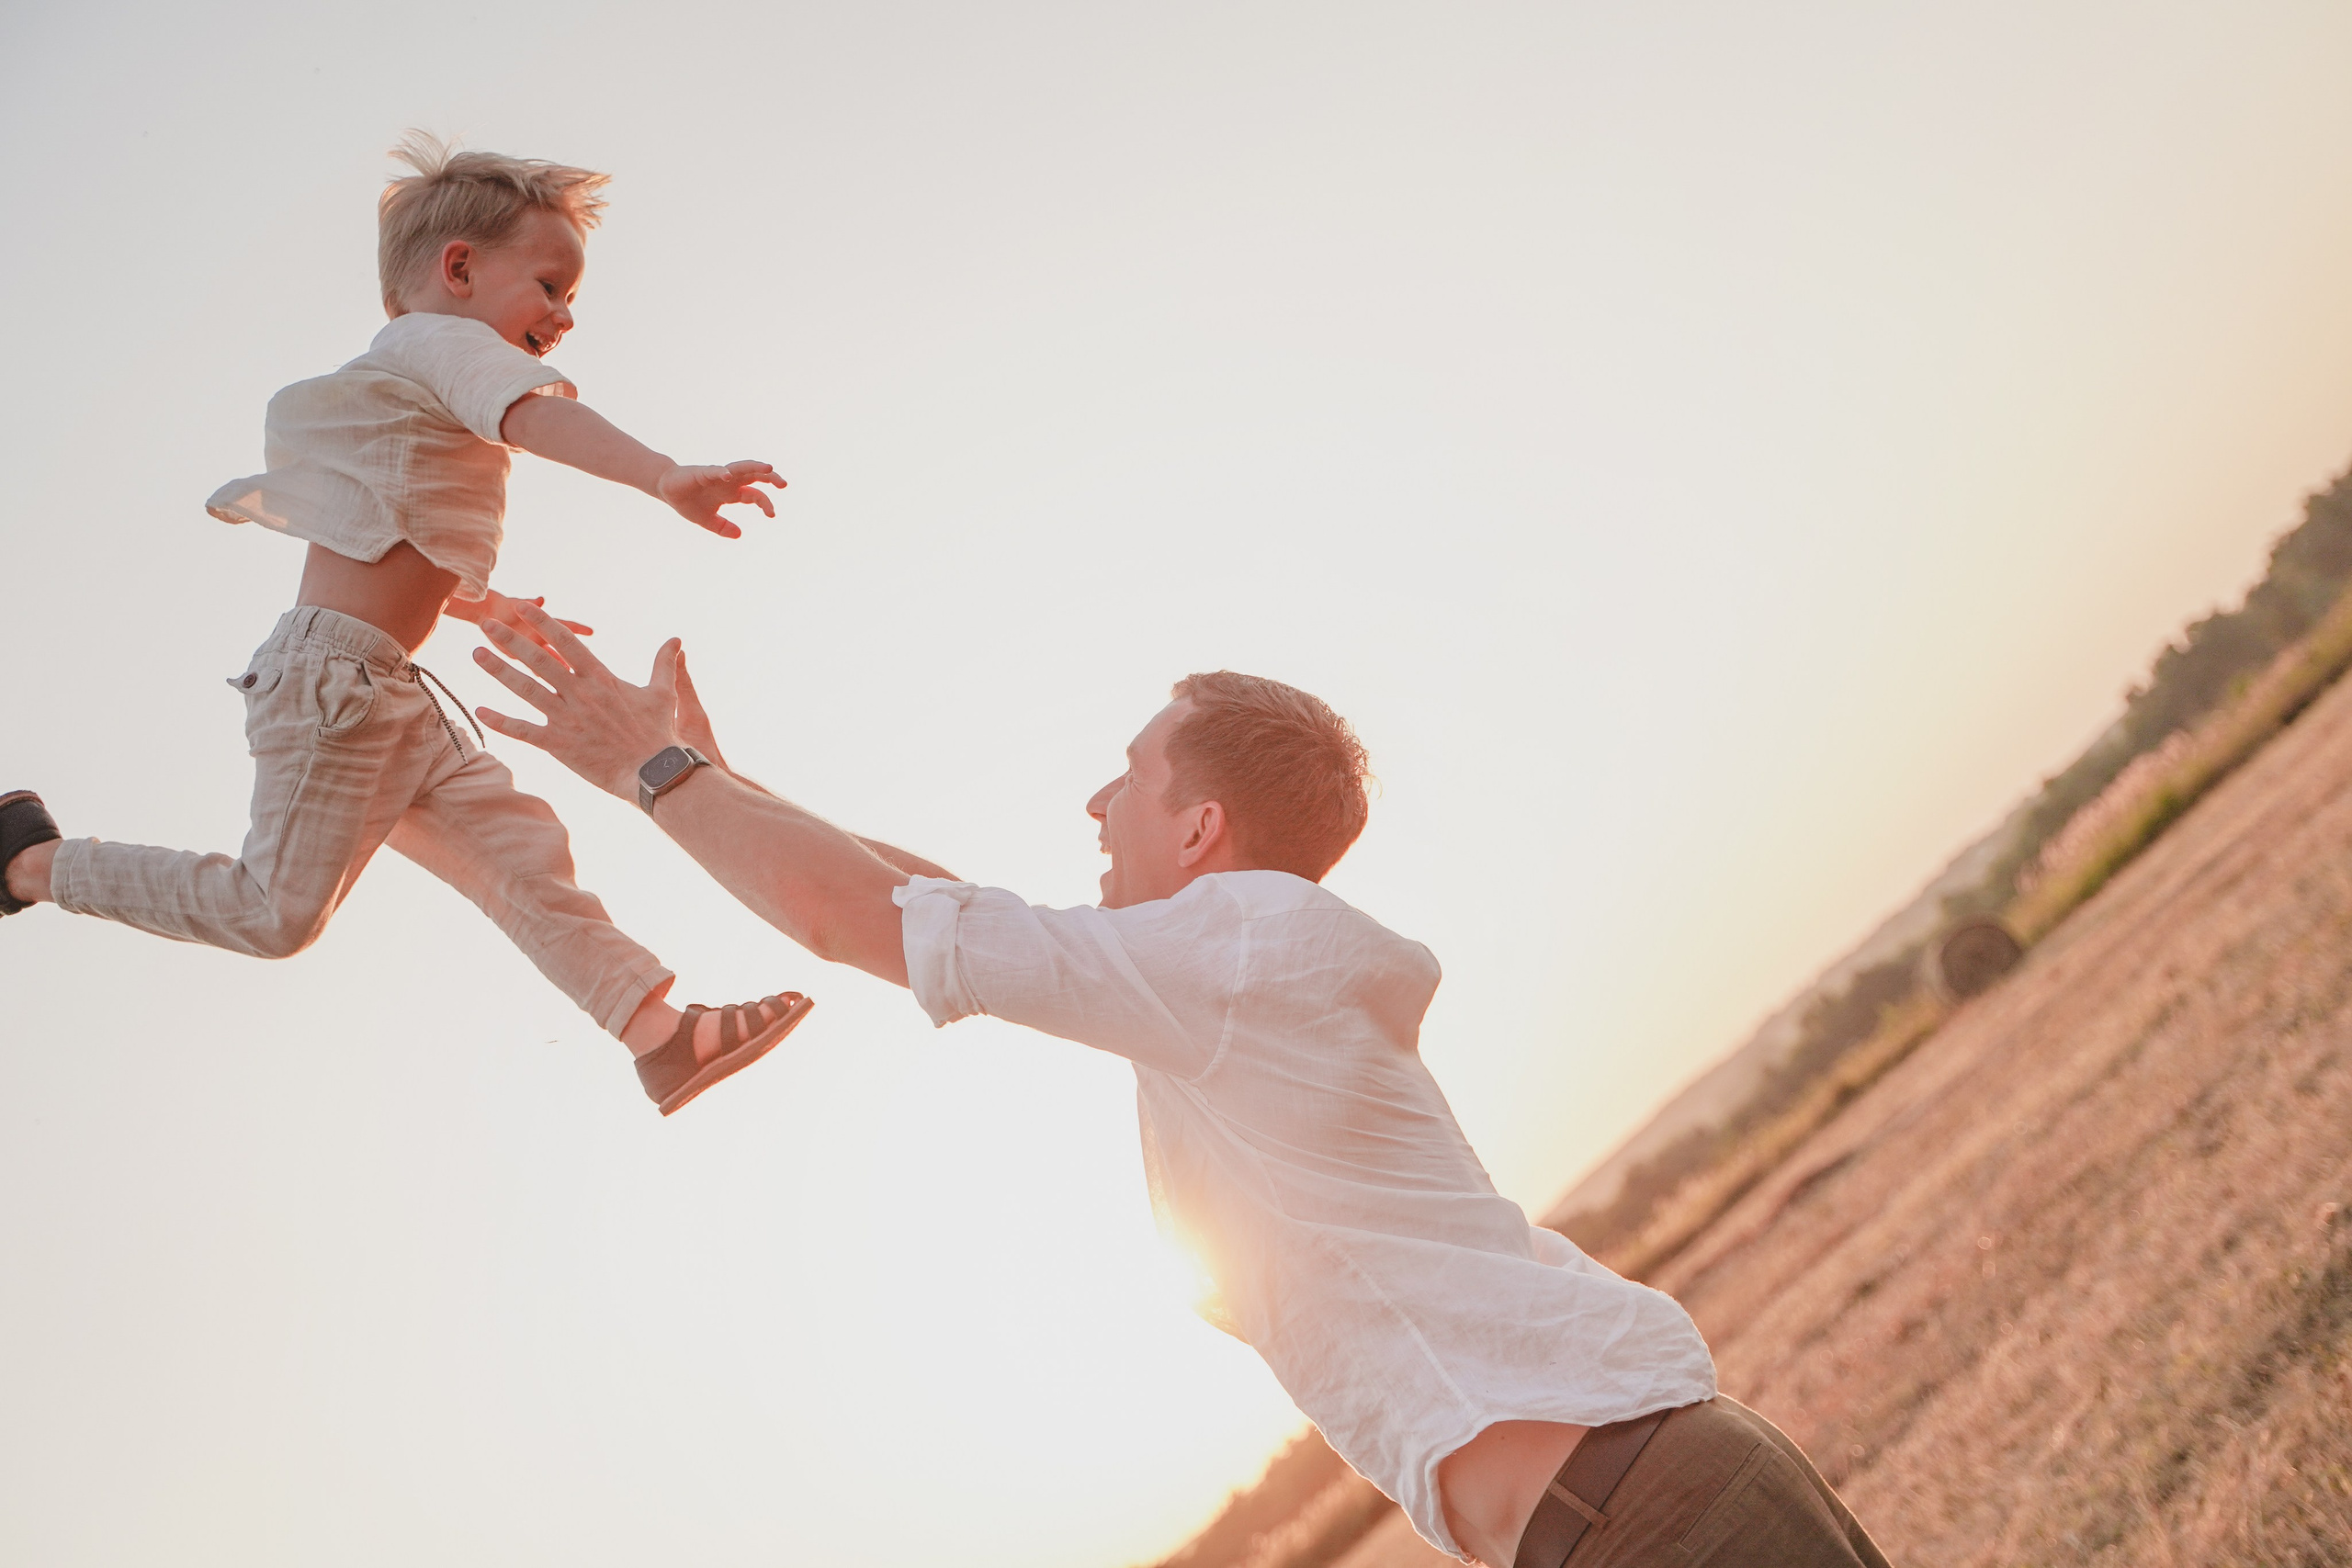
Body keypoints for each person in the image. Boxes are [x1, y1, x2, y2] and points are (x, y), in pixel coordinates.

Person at [458, 603, 1894, 1567]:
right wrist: (715, 771)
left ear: (1201, 823)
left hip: (1652, 1514)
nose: (1094, 802)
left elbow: (861, 922)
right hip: (1642, 1499)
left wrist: (650, 770)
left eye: (1126, 773)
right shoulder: (1234, 964)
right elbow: (927, 896)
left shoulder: (1239, 948)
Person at [0, 135, 811, 1115]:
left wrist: (482, 601)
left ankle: (659, 1039)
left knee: (520, 854)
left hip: (381, 692)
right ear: (459, 269)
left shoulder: (411, 379)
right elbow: (535, 418)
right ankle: (26, 861)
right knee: (276, 915)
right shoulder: (442, 344)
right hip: (335, 686)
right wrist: (661, 474)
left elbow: (387, 531)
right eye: (550, 285)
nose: (562, 317)